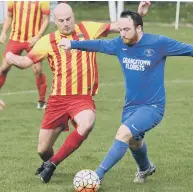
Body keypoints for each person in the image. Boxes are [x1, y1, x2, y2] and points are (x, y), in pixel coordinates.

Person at [58, 10, 193, 185]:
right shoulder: (119, 44)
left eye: (126, 30)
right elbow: (99, 45)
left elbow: (189, 50)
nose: (122, 34)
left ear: (138, 28)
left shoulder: (158, 43)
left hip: (152, 107)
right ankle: (145, 168)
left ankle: (95, 177)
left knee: (123, 133)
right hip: (130, 106)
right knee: (134, 143)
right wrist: (72, 44)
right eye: (120, 29)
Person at [5, 2, 152, 184]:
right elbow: (26, 62)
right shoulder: (47, 41)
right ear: (55, 21)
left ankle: (52, 164)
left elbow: (118, 26)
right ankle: (48, 161)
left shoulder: (88, 29)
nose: (66, 23)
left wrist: (138, 14)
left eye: (69, 19)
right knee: (43, 150)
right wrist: (11, 58)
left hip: (82, 97)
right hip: (57, 100)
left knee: (87, 122)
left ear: (73, 16)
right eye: (61, 20)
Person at [0, 1, 50, 109]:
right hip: (15, 39)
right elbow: (9, 16)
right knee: (3, 69)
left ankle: (41, 101)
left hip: (33, 40)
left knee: (38, 70)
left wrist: (38, 36)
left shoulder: (43, 1)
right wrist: (3, 32)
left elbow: (46, 20)